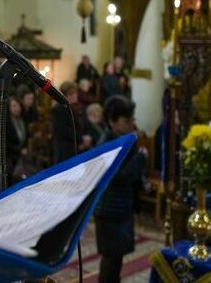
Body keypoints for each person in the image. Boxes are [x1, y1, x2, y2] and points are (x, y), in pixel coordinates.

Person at [94, 95, 147, 283]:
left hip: (121, 207)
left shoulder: (125, 139)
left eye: (132, 120)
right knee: (111, 258)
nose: (131, 124)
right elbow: (121, 177)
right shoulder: (107, 144)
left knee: (116, 258)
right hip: (109, 209)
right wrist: (141, 158)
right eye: (126, 121)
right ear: (112, 122)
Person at [51, 81, 90, 163]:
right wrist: (81, 140)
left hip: (79, 144)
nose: (74, 95)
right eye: (71, 94)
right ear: (64, 96)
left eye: (75, 93)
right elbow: (64, 131)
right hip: (66, 148)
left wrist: (87, 138)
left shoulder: (79, 108)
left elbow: (86, 124)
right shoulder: (59, 110)